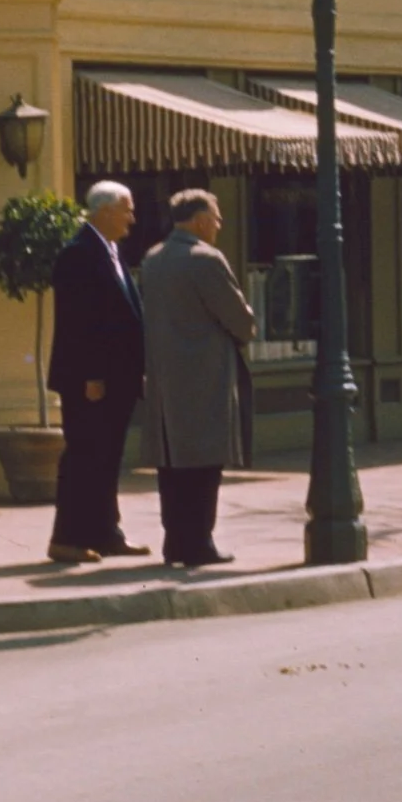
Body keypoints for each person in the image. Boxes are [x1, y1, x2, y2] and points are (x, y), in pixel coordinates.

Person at [139, 190, 257, 568]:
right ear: (201, 220)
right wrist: (248, 324)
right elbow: (239, 319)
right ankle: (199, 543)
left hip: (163, 379)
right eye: (217, 217)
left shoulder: (153, 259)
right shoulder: (206, 260)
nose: (219, 225)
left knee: (172, 466)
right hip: (205, 374)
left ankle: (175, 541)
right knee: (206, 464)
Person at [46, 180, 149, 564]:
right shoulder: (78, 254)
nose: (132, 218)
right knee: (84, 458)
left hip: (117, 379)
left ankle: (106, 532)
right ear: (105, 211)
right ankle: (67, 538)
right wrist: (90, 376)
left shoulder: (112, 251)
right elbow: (77, 323)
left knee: (107, 459)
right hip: (91, 381)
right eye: (127, 210)